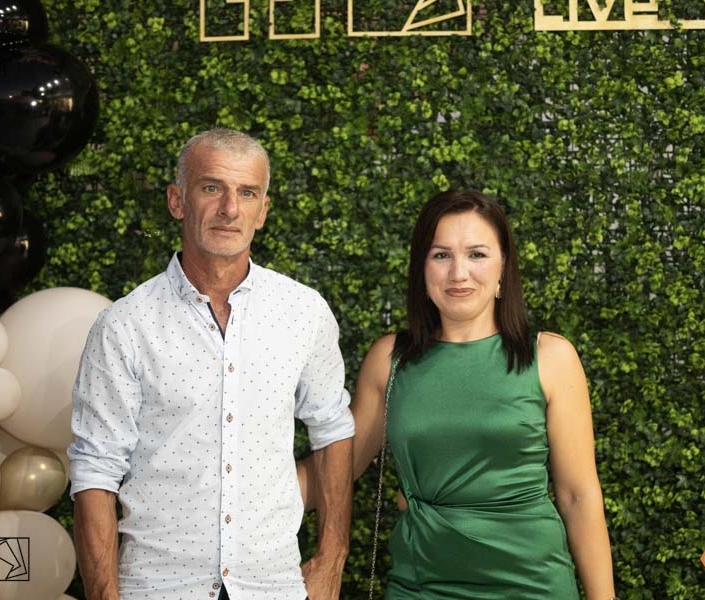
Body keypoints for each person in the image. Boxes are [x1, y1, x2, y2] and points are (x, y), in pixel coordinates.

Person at [68, 128, 354, 600]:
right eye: (211, 188)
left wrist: (332, 557)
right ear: (177, 201)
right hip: (158, 589)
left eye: (247, 193)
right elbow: (95, 470)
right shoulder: (125, 325)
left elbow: (332, 430)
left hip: (272, 588)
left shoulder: (304, 312)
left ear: (263, 211)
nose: (230, 208)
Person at [350, 189, 617, 599]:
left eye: (476, 254)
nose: (459, 273)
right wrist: (247, 498)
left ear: (503, 267)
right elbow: (338, 469)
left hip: (533, 587)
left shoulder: (551, 357)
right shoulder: (390, 360)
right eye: (441, 255)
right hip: (420, 587)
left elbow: (578, 495)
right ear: (421, 268)